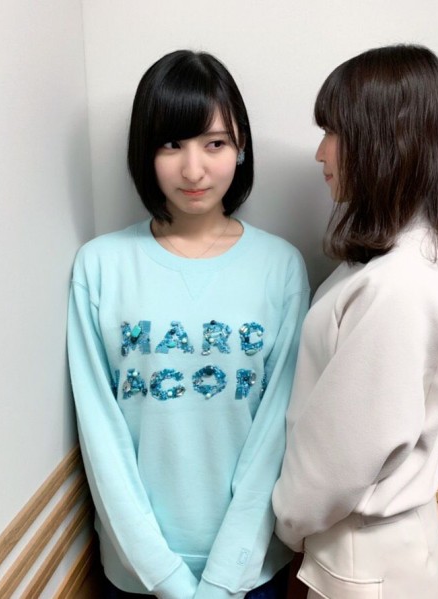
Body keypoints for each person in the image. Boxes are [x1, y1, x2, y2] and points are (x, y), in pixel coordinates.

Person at [68, 50, 309, 599]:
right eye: (171, 144)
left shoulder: (280, 267)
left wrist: (224, 578)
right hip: (138, 574)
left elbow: (276, 433)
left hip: (250, 570)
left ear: (241, 147)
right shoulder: (101, 266)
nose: (193, 169)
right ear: (144, 151)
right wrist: (166, 577)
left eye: (214, 143)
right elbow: (101, 434)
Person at [272, 44, 438, 598]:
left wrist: (286, 524)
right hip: (360, 553)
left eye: (334, 132)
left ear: (384, 141)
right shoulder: (391, 263)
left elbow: (340, 457)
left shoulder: (398, 283)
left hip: (363, 561)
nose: (321, 153)